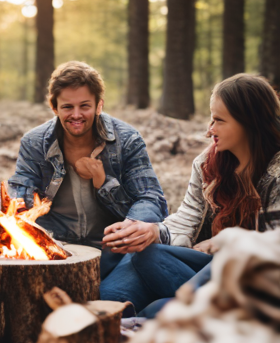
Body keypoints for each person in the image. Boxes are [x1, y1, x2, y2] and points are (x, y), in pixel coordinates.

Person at [101, 73, 280, 314]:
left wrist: (220, 243)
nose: (209, 130)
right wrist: (152, 231)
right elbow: (188, 217)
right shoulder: (208, 163)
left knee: (155, 308)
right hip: (203, 266)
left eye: (218, 120)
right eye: (211, 119)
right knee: (119, 288)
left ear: (249, 121)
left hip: (251, 281)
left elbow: (271, 251)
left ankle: (183, 312)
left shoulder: (276, 175)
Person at [8, 61, 168, 292]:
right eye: (67, 107)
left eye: (84, 106)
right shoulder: (34, 142)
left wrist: (112, 193)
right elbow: (19, 193)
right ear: (54, 107)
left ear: (98, 105)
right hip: (55, 250)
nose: (76, 115)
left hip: (113, 251)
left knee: (111, 298)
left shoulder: (127, 139)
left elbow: (150, 197)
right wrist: (19, 209)